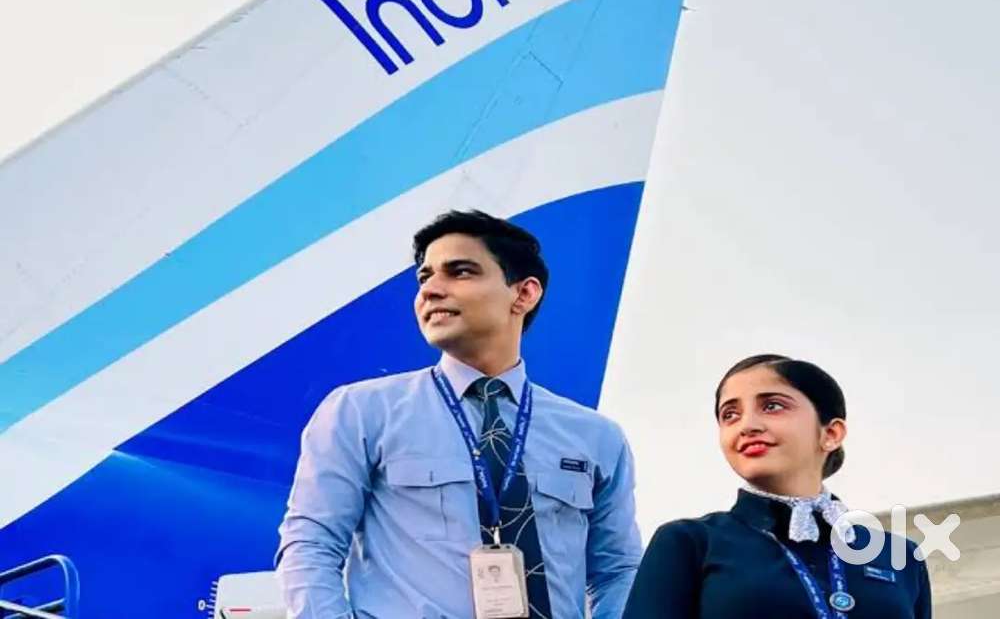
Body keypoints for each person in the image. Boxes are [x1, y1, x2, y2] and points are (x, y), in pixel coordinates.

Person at [277, 210, 642, 618]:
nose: (430, 290)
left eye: (460, 272)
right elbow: (310, 543)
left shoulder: (596, 436)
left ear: (524, 294)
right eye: (424, 277)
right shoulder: (360, 412)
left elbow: (619, 571)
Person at [623, 354, 932, 619]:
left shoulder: (899, 555)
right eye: (730, 415)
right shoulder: (689, 542)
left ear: (831, 433)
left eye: (772, 406)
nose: (747, 426)